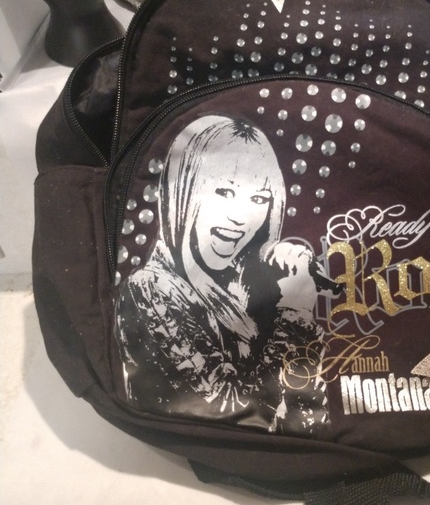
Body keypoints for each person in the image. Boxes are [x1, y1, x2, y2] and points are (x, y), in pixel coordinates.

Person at [115, 114, 329, 436]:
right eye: (224, 192)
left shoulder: (252, 287)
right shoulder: (151, 289)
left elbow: (309, 419)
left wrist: (281, 291)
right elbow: (234, 415)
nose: (239, 217)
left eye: (258, 198)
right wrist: (294, 314)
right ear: (183, 192)